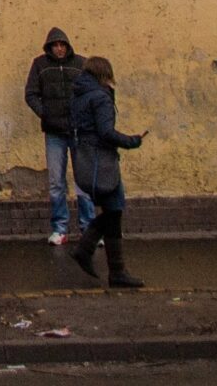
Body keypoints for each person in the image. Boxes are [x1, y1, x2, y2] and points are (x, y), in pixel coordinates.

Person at [64, 57, 144, 288]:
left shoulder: (78, 95)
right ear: (105, 74)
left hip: (86, 159)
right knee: (114, 210)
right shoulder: (100, 97)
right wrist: (131, 141)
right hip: (103, 161)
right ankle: (94, 256)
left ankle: (112, 268)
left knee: (112, 211)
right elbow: (106, 132)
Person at [24, 28, 94, 247]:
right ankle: (59, 228)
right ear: (49, 47)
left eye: (62, 44)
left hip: (79, 131)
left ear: (68, 45)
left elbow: (91, 92)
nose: (59, 48)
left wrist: (84, 115)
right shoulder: (40, 65)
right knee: (56, 182)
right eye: (55, 45)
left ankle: (88, 228)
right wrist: (45, 113)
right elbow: (31, 94)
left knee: (83, 181)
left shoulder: (81, 64)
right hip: (54, 132)